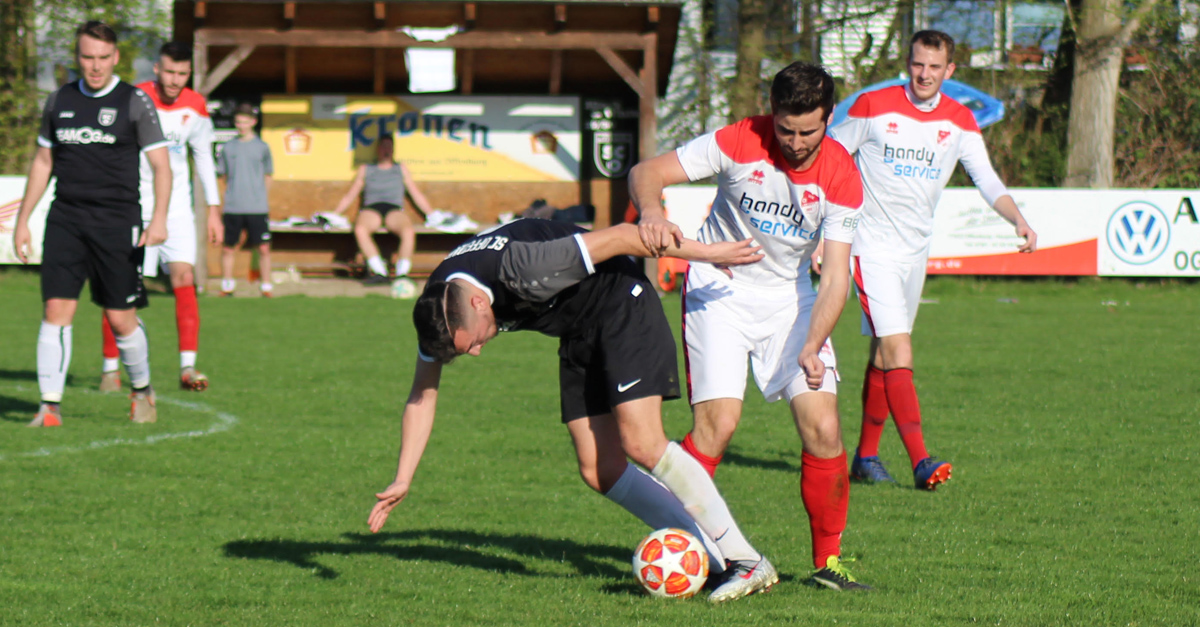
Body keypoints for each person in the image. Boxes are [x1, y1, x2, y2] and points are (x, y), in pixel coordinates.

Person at [367, 219, 780, 603]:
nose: (475, 351)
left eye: (472, 341)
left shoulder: (523, 266)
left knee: (642, 441)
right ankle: (709, 557)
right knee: (599, 469)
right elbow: (423, 393)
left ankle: (746, 560)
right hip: (578, 328)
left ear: (477, 302)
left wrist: (710, 254)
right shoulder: (438, 310)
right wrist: (404, 477)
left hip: (621, 301)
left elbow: (625, 236)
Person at [630, 62, 870, 591]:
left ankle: (829, 565)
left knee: (824, 428)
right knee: (717, 428)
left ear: (830, 118)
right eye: (786, 129)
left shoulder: (841, 175)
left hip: (792, 301)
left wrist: (812, 345)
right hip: (720, 290)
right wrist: (651, 209)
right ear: (772, 114)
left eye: (809, 130)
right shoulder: (739, 139)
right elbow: (647, 172)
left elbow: (834, 279)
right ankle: (682, 546)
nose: (796, 141)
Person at [828, 30, 1038, 489]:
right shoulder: (873, 106)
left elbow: (987, 179)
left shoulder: (960, 120)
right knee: (899, 349)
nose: (924, 74)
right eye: (917, 64)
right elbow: (830, 158)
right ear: (908, 62)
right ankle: (921, 461)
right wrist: (823, 236)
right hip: (870, 244)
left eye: (934, 67)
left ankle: (865, 458)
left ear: (950, 71)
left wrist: (1017, 219)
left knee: (884, 354)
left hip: (915, 250)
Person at [12, 20, 172, 426]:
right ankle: (49, 407)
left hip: (117, 222)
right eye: (87, 57)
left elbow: (161, 166)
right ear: (77, 57)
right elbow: (43, 162)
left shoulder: (135, 101)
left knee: (120, 318)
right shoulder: (58, 101)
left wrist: (159, 219)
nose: (95, 66)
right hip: (66, 218)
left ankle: (141, 390)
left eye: (103, 58)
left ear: (116, 57)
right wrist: (23, 220)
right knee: (55, 308)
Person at [98, 41, 221, 394]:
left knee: (184, 277)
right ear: (156, 68)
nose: (175, 80)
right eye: (169, 72)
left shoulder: (196, 106)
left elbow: (205, 159)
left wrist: (213, 210)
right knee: (121, 286)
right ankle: (110, 370)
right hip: (134, 206)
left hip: (178, 209)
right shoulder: (133, 97)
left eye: (182, 74)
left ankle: (187, 367)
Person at [330, 133, 433, 284]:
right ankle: (378, 271)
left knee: (408, 231)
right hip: (372, 208)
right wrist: (334, 214)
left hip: (394, 209)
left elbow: (415, 192)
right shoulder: (366, 169)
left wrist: (432, 214)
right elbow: (351, 194)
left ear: (393, 150)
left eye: (389, 147)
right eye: (383, 146)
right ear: (377, 149)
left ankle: (402, 274)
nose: (386, 150)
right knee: (360, 229)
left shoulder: (400, 169)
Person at [217, 103, 274, 297]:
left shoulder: (262, 147)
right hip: (233, 207)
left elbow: (268, 175)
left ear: (253, 122)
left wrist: (260, 196)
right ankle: (227, 286)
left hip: (257, 208)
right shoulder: (227, 147)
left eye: (245, 122)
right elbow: (222, 176)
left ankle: (266, 286)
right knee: (228, 248)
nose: (241, 125)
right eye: (238, 122)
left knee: (264, 248)